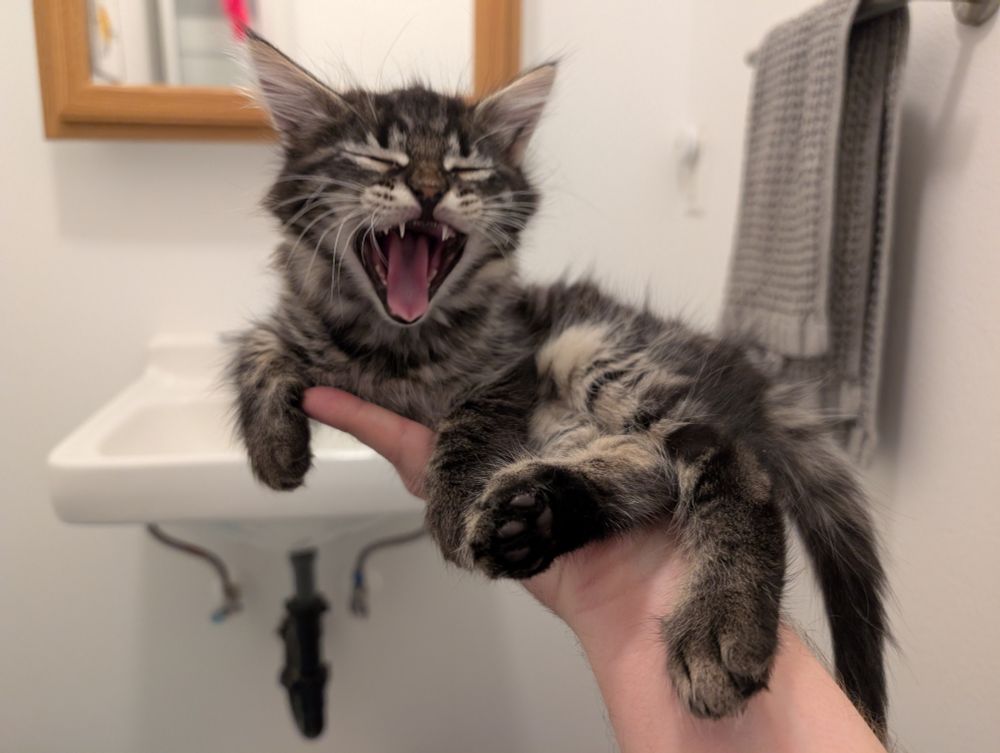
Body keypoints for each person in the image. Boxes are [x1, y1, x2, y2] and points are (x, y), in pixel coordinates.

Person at [303, 386, 889, 753]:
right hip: (580, 446)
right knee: (619, 437)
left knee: (618, 395)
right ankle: (592, 496)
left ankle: (728, 498)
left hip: (576, 366)